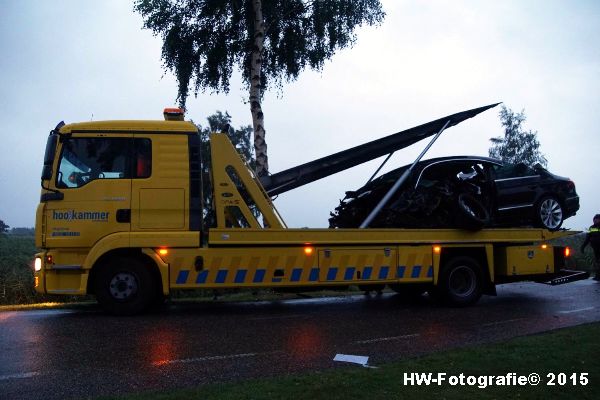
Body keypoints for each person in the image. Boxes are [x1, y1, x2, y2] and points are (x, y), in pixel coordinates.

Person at [581, 214, 600, 281]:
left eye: (596, 219)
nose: (595, 220)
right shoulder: (591, 228)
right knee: (597, 262)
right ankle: (598, 276)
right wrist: (582, 247)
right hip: (595, 248)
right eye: (594, 219)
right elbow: (587, 238)